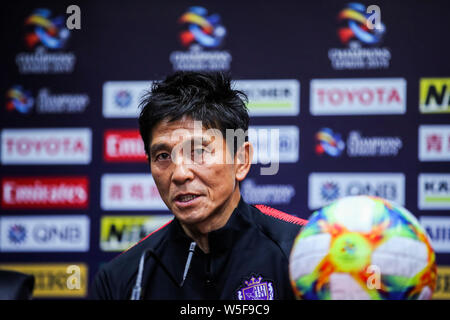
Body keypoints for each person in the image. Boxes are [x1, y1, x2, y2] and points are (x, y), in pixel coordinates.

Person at [90, 71, 307, 300]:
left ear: (241, 160)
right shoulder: (122, 279)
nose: (180, 174)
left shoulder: (305, 253)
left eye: (199, 152)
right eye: (163, 156)